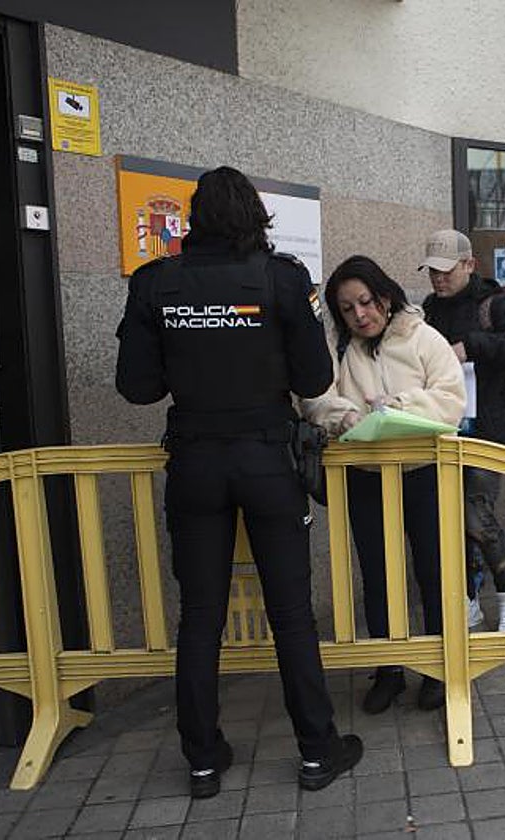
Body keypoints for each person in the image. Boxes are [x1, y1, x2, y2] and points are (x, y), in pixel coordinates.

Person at [115, 166, 361, 798]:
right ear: (256, 216)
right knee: (292, 615)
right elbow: (313, 379)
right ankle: (317, 752)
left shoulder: (155, 282)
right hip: (267, 459)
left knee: (200, 617)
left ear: (194, 219)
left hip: (195, 462)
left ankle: (202, 760)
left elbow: (137, 387)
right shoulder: (281, 278)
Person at [303, 256, 466, 714]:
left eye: (366, 302)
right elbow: (315, 399)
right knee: (378, 575)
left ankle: (437, 669)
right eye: (347, 308)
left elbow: (451, 399)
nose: (360, 315)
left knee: (434, 572)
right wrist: (344, 415)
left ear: (385, 297)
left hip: (424, 474)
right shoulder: (340, 348)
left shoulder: (423, 337)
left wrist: (397, 406)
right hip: (366, 477)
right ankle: (388, 669)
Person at [420, 230, 505, 633]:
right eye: (432, 271)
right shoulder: (429, 309)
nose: (439, 279)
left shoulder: (496, 304)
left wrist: (471, 346)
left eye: (446, 270)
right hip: (443, 429)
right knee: (448, 520)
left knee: (475, 514)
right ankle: (467, 599)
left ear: (469, 265)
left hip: (489, 430)